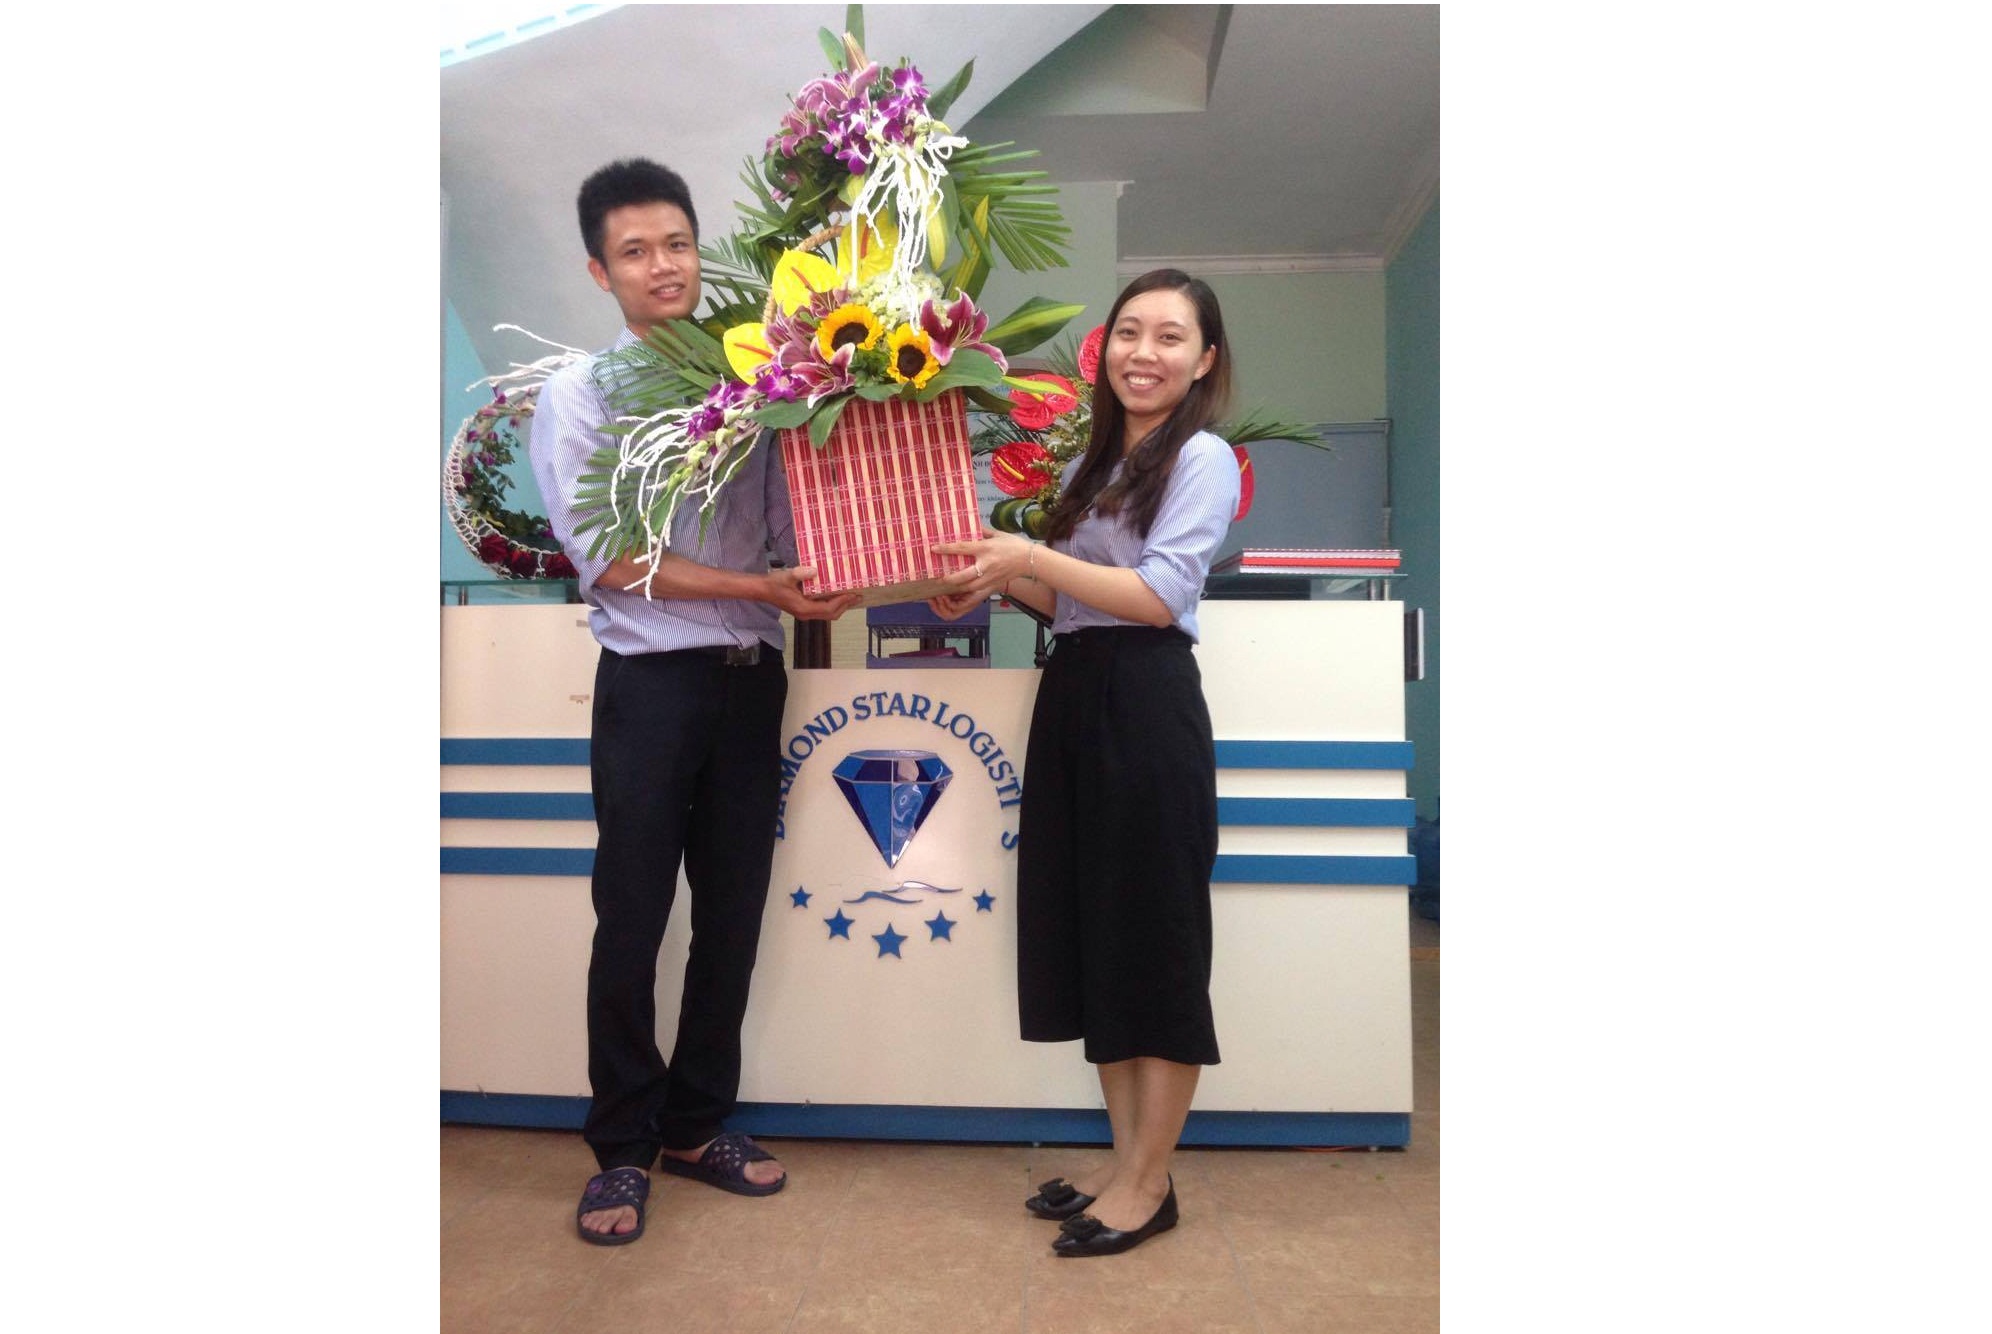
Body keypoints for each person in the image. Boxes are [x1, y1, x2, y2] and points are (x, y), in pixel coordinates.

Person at [527, 158, 859, 1246]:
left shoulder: (757, 388)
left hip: (750, 683)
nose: (662, 265)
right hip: (652, 686)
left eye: (676, 243)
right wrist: (762, 589)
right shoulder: (581, 396)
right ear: (600, 271)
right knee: (632, 917)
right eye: (635, 251)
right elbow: (611, 558)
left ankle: (695, 1122)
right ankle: (621, 1147)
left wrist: (884, 552)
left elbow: (791, 534)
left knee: (731, 913)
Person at [928, 268, 1240, 1258]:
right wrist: (991, 584)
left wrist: (1022, 554)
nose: (1145, 353)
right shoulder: (1096, 461)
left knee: (1156, 942)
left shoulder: (1202, 458)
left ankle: (1150, 1183)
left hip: (1145, 703)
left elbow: (1155, 594)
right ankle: (1126, 1163)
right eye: (1130, 332)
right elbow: (1074, 601)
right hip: (1073, 694)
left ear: (1205, 360)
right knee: (1101, 935)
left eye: (1171, 337)